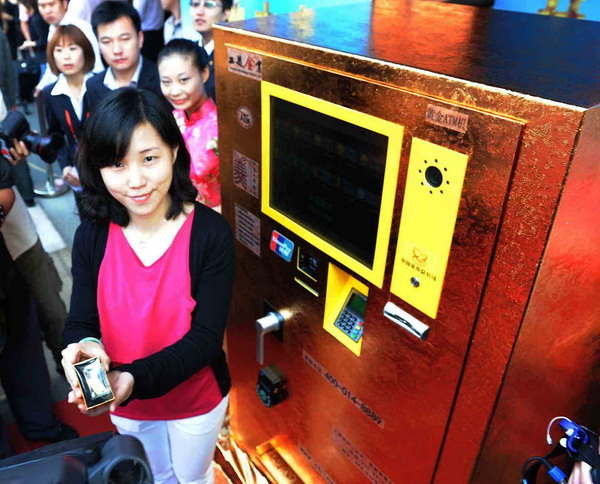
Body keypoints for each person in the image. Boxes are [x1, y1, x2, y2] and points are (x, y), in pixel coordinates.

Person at [62, 87, 234, 484]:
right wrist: (85, 349)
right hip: (126, 401)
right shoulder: (92, 234)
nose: (136, 181)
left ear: (174, 151)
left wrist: (132, 379)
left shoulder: (210, 234)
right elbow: (81, 322)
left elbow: (206, 339)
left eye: (149, 158)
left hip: (196, 397)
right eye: (117, 165)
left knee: (192, 478)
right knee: (154, 476)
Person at [158, 39, 221, 211]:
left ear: (205, 73)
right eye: (166, 82)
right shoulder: (169, 120)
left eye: (184, 80)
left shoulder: (223, 128)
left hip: (214, 221)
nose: (175, 91)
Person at [42, 23, 97, 217]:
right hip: (78, 176)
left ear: (85, 51)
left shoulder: (101, 84)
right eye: (59, 50)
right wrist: (65, 166)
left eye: (73, 48)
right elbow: (55, 134)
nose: (66, 56)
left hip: (108, 171)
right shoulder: (51, 93)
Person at [84, 0, 161, 113]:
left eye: (124, 39)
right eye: (106, 42)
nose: (117, 50)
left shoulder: (162, 79)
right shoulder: (93, 86)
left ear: (140, 38)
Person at [33, 0, 102, 93]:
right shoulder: (53, 29)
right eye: (42, 6)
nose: (47, 10)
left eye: (51, 4)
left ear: (64, 4)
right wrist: (42, 85)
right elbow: (52, 66)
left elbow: (96, 65)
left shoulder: (81, 27)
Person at [190, 0, 231, 101]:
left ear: (226, 13)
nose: (199, 12)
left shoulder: (233, 57)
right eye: (195, 4)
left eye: (209, 5)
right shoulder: (187, 51)